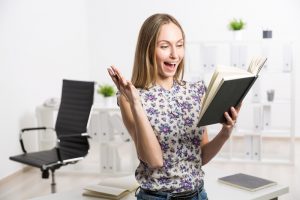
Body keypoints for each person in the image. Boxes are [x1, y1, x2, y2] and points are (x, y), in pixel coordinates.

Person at [108, 13, 241, 200]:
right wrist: (136, 103)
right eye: (164, 46)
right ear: (147, 50)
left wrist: (225, 132)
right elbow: (154, 161)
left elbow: (200, 157)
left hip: (198, 195)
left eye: (179, 45)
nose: (175, 55)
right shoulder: (129, 99)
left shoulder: (196, 92)